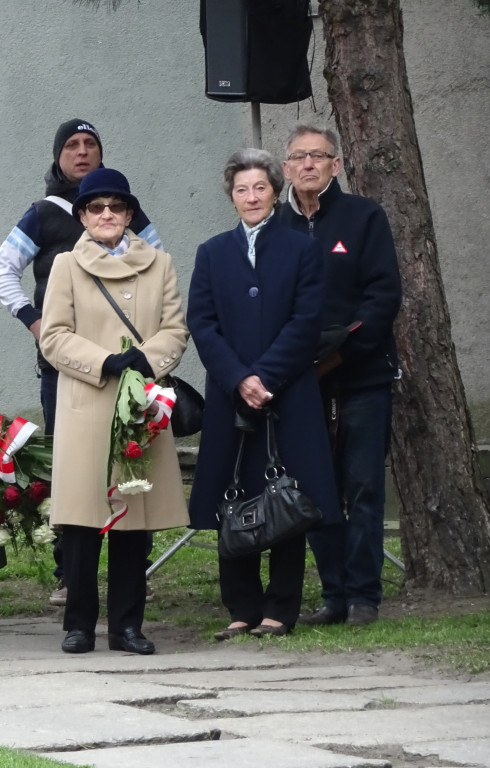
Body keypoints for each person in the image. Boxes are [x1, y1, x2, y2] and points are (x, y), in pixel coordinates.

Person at [0, 119, 163, 606]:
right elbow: (2, 272)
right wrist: (34, 320)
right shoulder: (44, 214)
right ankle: (70, 573)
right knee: (73, 468)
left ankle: (135, 570)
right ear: (57, 156)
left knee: (133, 461)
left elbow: (157, 264)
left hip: (127, 368)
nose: (82, 152)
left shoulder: (128, 212)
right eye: (72, 145)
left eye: (91, 145)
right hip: (66, 368)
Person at [187, 148, 341, 640]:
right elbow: (202, 323)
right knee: (233, 496)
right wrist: (238, 379)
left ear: (275, 190)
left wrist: (267, 376)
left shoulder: (302, 248)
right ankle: (240, 606)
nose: (251, 197)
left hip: (287, 394)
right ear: (230, 197)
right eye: (241, 189)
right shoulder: (211, 252)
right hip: (232, 396)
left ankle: (280, 608)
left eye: (259, 187)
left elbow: (307, 321)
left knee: (286, 498)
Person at [38, 168, 189, 655]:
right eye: (96, 207)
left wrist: (147, 360)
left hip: (141, 405)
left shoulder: (160, 263)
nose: (107, 215)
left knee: (134, 521)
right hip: (88, 405)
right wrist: (104, 361)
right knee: (83, 524)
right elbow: (54, 336)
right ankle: (78, 624)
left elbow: (175, 328)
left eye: (116, 207)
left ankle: (128, 626)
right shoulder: (66, 265)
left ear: (129, 214)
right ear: (82, 215)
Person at [280, 125, 402, 628]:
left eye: (319, 156)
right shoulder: (273, 226)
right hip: (300, 382)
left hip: (363, 377)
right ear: (285, 167)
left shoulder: (364, 218)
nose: (309, 165)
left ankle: (363, 596)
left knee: (364, 487)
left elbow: (383, 295)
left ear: (336, 165)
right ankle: (333, 594)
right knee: (315, 490)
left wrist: (342, 351)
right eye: (299, 157)